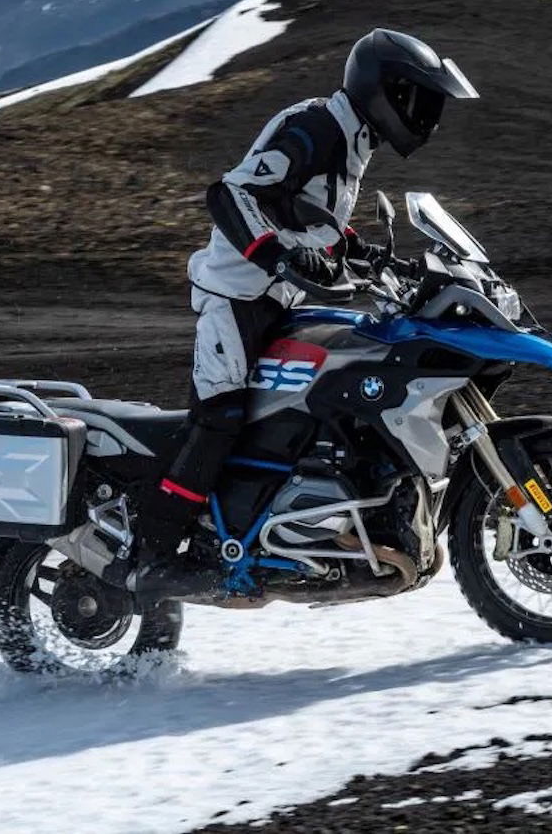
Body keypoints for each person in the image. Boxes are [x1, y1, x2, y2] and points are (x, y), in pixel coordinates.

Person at [132, 28, 479, 556]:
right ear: (385, 91)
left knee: (304, 409)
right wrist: (276, 255)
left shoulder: (353, 140)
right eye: (420, 101)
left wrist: (375, 257)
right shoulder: (315, 126)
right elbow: (232, 194)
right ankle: (150, 552)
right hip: (237, 297)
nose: (427, 117)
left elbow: (307, 213)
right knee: (220, 417)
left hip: (280, 301)